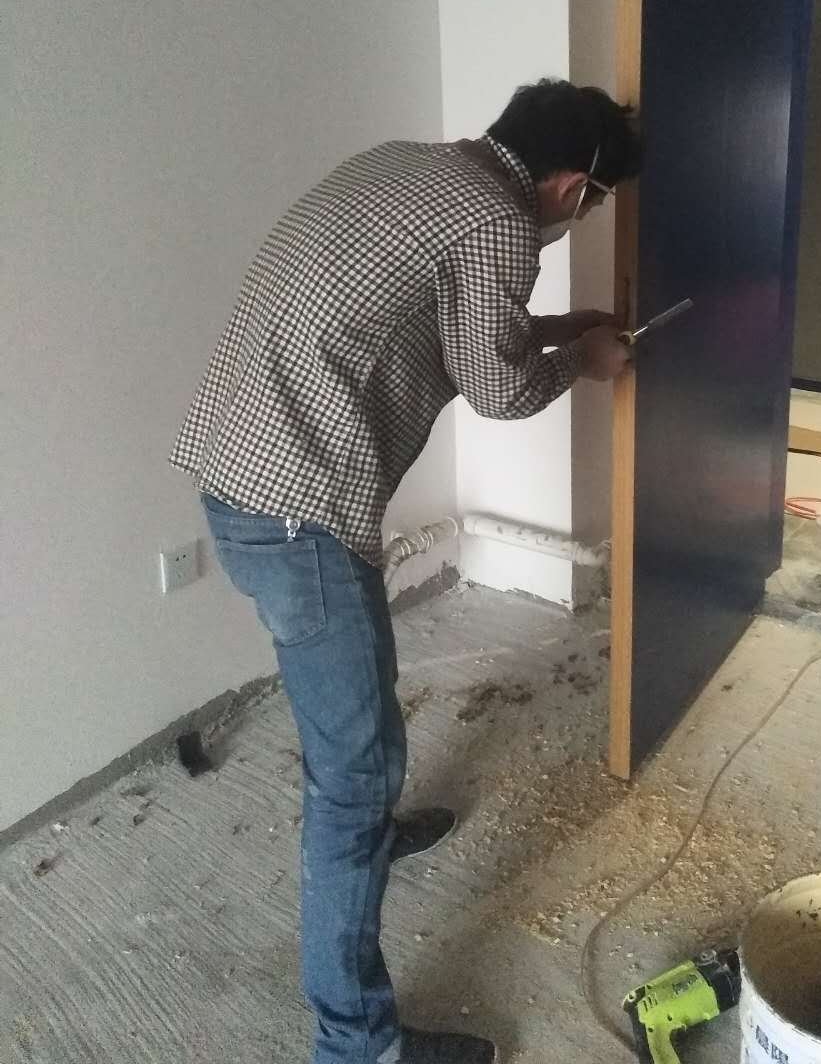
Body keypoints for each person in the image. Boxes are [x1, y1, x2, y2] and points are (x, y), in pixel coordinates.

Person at [170, 79, 640, 1064]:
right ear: (570, 184)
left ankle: (373, 836)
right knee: (354, 775)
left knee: (359, 720)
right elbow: (500, 390)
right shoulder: (500, 222)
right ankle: (358, 1044)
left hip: (238, 477)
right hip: (298, 516)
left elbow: (453, 330)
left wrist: (566, 326)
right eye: (594, 201)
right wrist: (585, 364)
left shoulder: (410, 168)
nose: (583, 215)